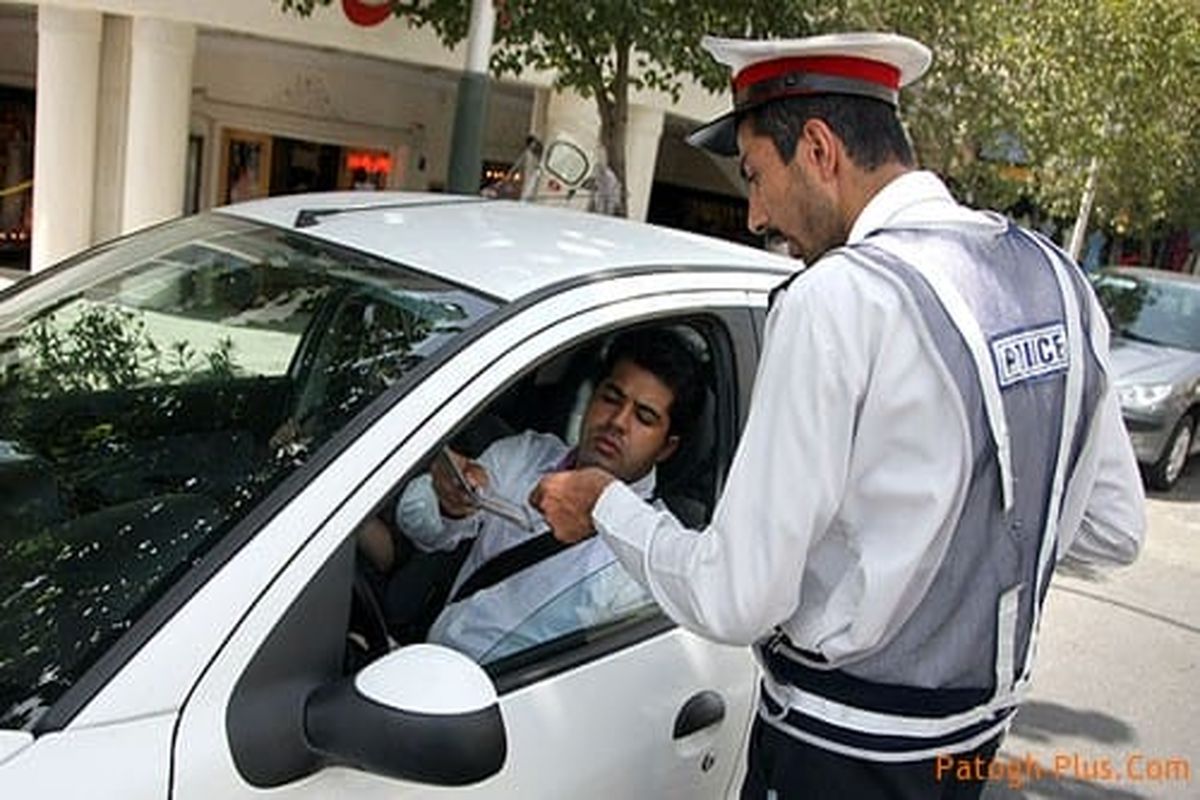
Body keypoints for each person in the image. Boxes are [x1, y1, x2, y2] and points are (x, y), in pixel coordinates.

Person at [530, 32, 1146, 798]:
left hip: (836, 749)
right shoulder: (1056, 278)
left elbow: (736, 598)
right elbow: (1112, 529)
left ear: (818, 149)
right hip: (969, 747)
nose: (754, 213)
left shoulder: (841, 297)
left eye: (755, 175)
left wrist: (606, 506)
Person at [361, 328, 703, 663]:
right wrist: (447, 501)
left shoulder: (652, 551)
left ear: (666, 448)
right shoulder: (523, 455)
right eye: (611, 398)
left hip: (512, 703)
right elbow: (420, 529)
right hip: (430, 660)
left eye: (644, 417)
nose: (617, 421)